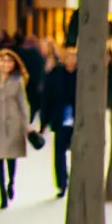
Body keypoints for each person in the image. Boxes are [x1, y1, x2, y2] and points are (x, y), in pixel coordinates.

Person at [0, 48, 30, 208]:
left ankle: (11, 183)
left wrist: (26, 124)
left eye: (9, 61)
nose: (5, 64)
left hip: (13, 122)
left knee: (11, 155)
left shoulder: (17, 81)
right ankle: (1, 190)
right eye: (2, 60)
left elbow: (23, 103)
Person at [40, 46, 78, 198]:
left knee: (78, 152)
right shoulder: (55, 75)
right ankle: (62, 183)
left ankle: (76, 181)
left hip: (78, 120)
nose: (72, 60)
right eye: (69, 57)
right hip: (60, 119)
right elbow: (46, 99)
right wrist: (44, 122)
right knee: (59, 153)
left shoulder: (83, 75)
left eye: (74, 57)